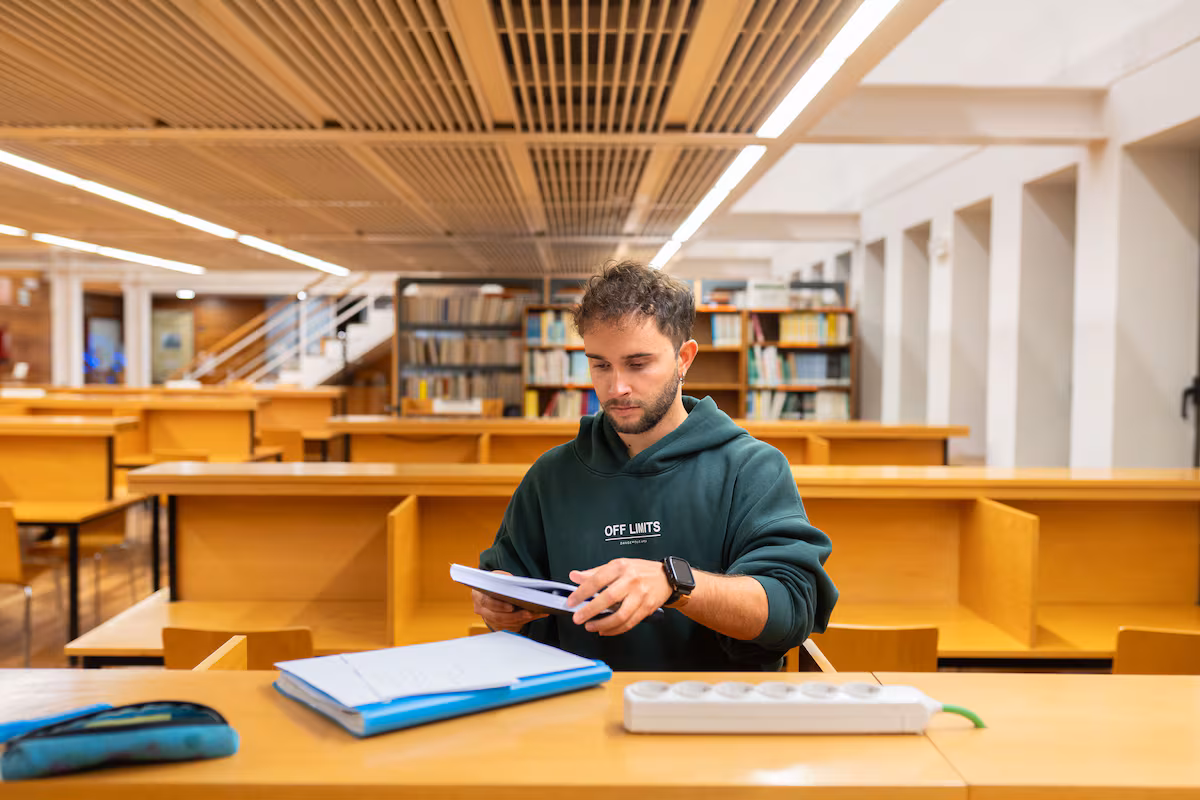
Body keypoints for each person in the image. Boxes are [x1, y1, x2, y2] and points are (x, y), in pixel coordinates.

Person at [475, 261, 837, 670]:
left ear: (684, 358)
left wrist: (674, 583)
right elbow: (507, 599)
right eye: (600, 365)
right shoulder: (551, 475)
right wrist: (497, 607)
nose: (617, 388)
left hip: (711, 713)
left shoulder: (752, 468)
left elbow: (790, 609)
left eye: (637, 363)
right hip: (577, 710)